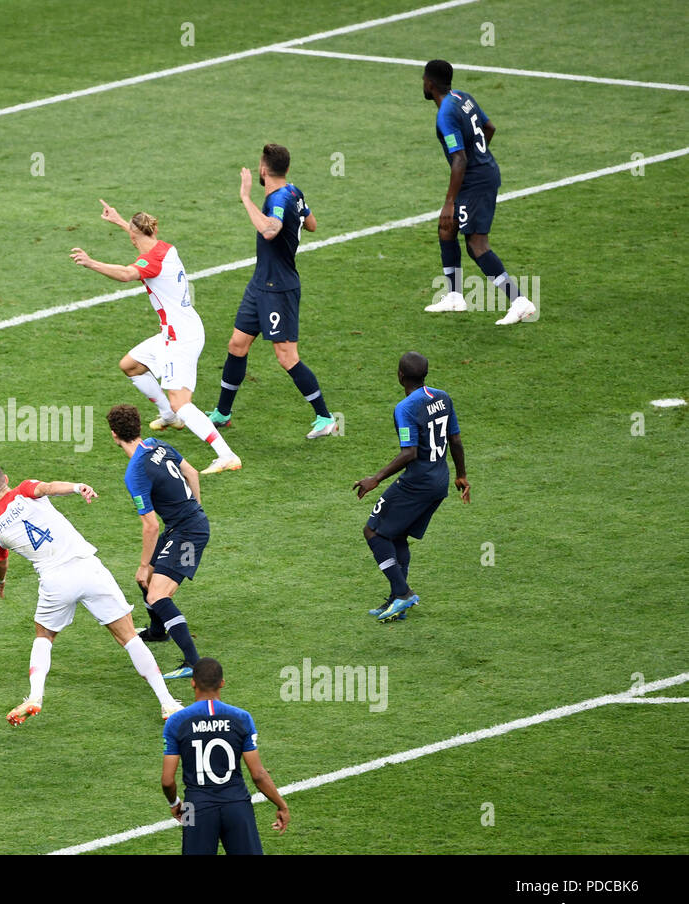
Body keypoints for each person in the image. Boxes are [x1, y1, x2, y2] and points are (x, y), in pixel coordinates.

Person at [0, 462, 184, 725]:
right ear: (6, 478)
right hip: (87, 567)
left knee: (44, 636)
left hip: (54, 582)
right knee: (129, 637)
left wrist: (0, 581)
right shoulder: (25, 489)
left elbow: (0, 563)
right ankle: (167, 703)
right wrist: (77, 487)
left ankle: (35, 697)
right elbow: (49, 488)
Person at [71, 202, 241, 475]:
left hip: (181, 339)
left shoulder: (151, 262)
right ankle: (169, 416)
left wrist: (91, 263)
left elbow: (127, 274)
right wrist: (118, 220)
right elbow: (140, 238)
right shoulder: (164, 248)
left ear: (133, 236)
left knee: (181, 400)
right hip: (175, 332)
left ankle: (226, 454)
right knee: (130, 365)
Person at [209, 144, 337, 441]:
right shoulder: (294, 192)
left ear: (263, 170)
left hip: (279, 289)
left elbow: (269, 230)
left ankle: (325, 417)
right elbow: (313, 224)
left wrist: (245, 197)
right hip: (260, 285)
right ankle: (222, 413)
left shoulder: (278, 198)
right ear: (287, 169)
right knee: (237, 344)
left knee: (286, 355)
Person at [352, 352, 469, 622]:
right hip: (439, 480)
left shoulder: (405, 408)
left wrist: (375, 479)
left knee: (373, 531)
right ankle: (397, 600)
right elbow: (456, 440)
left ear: (400, 375)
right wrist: (461, 475)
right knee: (397, 535)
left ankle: (403, 592)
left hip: (418, 482)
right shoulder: (442, 397)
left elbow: (410, 453)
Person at [421, 59, 537, 325]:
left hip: (475, 181)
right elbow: (489, 128)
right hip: (480, 174)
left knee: (476, 244)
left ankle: (519, 301)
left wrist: (450, 202)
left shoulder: (445, 114)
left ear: (430, 83)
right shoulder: (462, 97)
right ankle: (453, 296)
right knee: (446, 229)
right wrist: (480, 155)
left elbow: (459, 158)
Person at [107, 405, 207, 681]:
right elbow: (193, 473)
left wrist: (142, 564)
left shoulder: (135, 473)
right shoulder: (157, 443)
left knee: (157, 594)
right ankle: (157, 631)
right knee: (146, 580)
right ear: (138, 428)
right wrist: (195, 510)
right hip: (185, 526)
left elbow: (150, 525)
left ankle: (193, 663)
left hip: (188, 534)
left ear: (115, 435)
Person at [162, 658, 290, 855]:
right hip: (238, 804)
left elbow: (167, 781)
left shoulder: (176, 722)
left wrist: (175, 804)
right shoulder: (241, 718)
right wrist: (281, 805)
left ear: (193, 682)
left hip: (194, 806)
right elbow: (258, 775)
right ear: (222, 683)